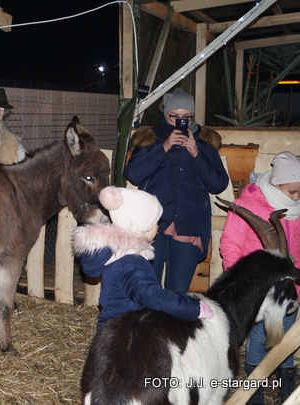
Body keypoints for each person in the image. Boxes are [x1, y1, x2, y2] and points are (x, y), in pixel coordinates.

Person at [125, 88, 229, 294]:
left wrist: (197, 153)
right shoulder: (149, 138)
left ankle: (171, 326)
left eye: (186, 117)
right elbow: (134, 174)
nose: (181, 121)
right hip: (152, 223)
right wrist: (164, 146)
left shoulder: (205, 141)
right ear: (166, 114)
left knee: (178, 290)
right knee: (148, 287)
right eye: (175, 116)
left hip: (189, 222)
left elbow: (218, 184)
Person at [219, 151, 300, 404]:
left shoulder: (297, 211)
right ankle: (254, 389)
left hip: (287, 287)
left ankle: (286, 387)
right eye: (293, 192)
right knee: (258, 336)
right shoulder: (249, 205)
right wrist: (240, 281)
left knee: (284, 338)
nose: (297, 197)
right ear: (277, 184)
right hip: (258, 287)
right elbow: (230, 244)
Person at [73, 186, 214, 328]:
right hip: (131, 335)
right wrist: (195, 309)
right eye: (154, 223)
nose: (158, 227)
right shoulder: (131, 263)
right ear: (141, 228)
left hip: (110, 328)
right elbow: (153, 297)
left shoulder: (115, 254)